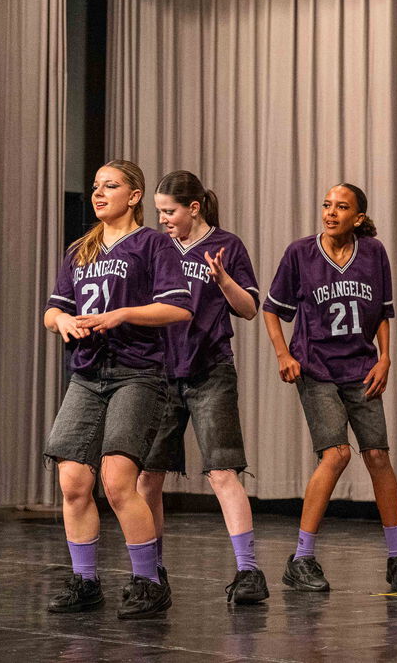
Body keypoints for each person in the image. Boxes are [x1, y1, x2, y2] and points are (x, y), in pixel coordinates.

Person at [43, 160, 192, 619]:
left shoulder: (153, 244)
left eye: (110, 186)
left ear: (135, 195)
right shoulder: (81, 250)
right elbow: (52, 310)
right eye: (95, 186)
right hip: (87, 374)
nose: (98, 193)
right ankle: (85, 581)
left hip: (137, 373)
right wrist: (62, 321)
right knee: (73, 480)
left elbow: (179, 309)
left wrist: (122, 314)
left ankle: (149, 581)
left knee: (116, 479)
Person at [263, 183, 397, 592]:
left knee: (378, 455)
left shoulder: (374, 253)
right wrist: (283, 354)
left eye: (341, 207)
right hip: (316, 368)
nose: (331, 212)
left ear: (358, 217)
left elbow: (382, 312)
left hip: (361, 368)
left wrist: (385, 358)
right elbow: (271, 309)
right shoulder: (300, 253)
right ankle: (302, 558)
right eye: (326, 205)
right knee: (336, 454)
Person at [136, 170, 268, 604]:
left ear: (194, 208)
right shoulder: (155, 248)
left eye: (169, 211)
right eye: (158, 212)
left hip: (210, 371)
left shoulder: (226, 245)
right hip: (159, 373)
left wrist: (224, 279)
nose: (163, 219)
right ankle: (151, 573)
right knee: (148, 476)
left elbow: (249, 309)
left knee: (223, 472)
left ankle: (248, 570)